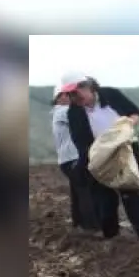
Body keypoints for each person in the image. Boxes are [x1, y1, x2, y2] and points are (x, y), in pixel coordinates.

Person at [61, 71, 139, 245]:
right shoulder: (74, 112)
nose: (74, 98)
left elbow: (134, 113)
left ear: (88, 87)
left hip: (123, 152)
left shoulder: (110, 95)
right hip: (98, 155)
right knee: (103, 197)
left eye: (76, 93)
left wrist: (126, 126)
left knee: (131, 192)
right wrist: (92, 158)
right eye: (70, 94)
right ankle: (111, 236)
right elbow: (80, 141)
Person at [51, 86, 98, 233]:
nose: (71, 97)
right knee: (86, 190)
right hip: (73, 157)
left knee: (77, 190)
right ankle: (91, 225)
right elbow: (87, 118)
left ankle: (78, 222)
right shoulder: (63, 112)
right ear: (59, 97)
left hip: (67, 159)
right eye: (67, 95)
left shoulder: (57, 113)